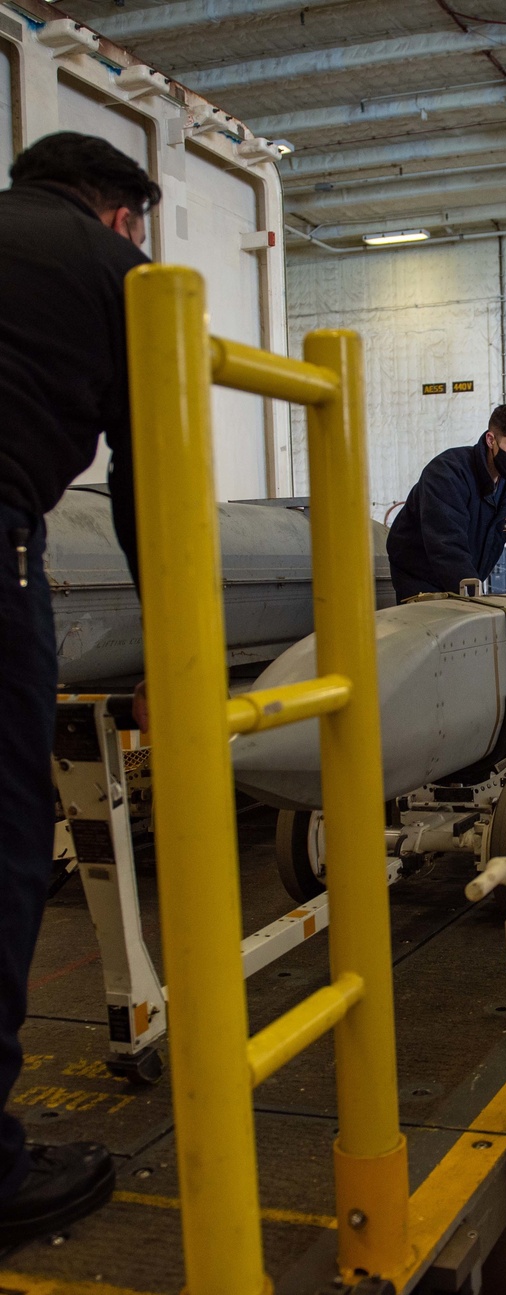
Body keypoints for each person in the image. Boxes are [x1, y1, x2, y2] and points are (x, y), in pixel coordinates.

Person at [0, 132, 160, 1243]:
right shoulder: (115, 274)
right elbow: (153, 466)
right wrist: (172, 660)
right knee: (3, 847)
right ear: (118, 215)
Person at [387, 402, 506, 600]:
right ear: (491, 440)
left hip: (467, 582)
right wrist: (471, 593)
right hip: (421, 583)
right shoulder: (448, 474)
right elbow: (446, 543)